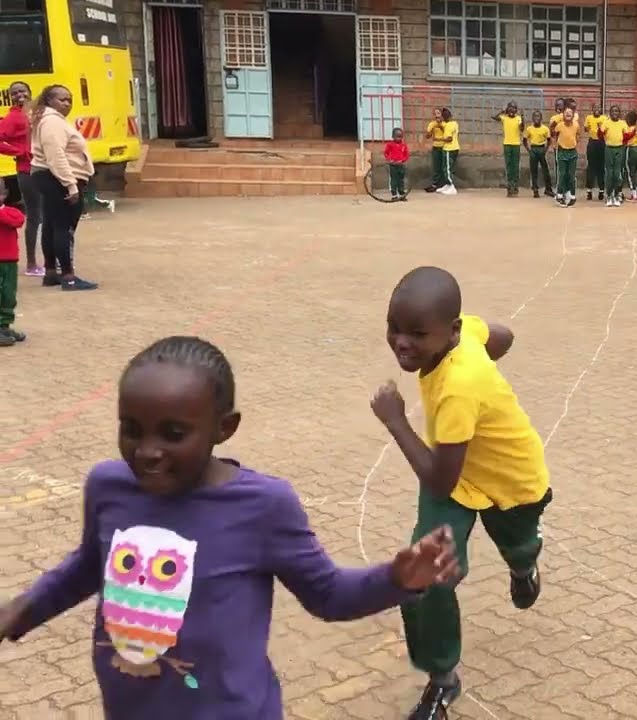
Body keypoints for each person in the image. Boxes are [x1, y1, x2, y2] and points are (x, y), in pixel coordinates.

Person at [0, 335, 460, 719]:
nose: (147, 451)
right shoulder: (109, 486)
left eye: (173, 434)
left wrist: (397, 580)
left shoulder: (262, 506)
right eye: (132, 429)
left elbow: (328, 595)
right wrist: (22, 610)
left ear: (225, 428)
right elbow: (88, 565)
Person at [376, 267, 553, 720]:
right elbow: (503, 335)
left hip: (507, 480)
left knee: (517, 542)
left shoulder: (459, 386)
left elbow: (438, 480)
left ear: (450, 331)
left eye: (417, 334)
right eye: (395, 329)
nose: (402, 343)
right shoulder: (463, 334)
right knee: (427, 569)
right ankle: (442, 680)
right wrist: (483, 355)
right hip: (454, 475)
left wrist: (397, 420)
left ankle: (523, 562)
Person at [30, 84, 95, 291]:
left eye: (69, 99)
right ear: (49, 101)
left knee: (51, 224)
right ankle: (68, 276)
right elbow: (55, 156)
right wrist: (71, 185)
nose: (67, 103)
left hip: (50, 177)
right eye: (62, 99)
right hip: (57, 178)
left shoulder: (50, 120)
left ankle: (51, 273)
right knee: (63, 227)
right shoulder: (52, 122)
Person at [0, 81, 41, 277]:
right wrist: (19, 151)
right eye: (15, 93)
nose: (19, 95)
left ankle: (50, 261)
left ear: (30, 92)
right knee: (34, 215)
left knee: (46, 215)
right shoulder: (13, 117)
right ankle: (32, 264)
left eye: (22, 91)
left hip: (44, 169)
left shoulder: (37, 113)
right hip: (27, 170)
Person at [0, 183, 24, 347]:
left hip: (9, 260)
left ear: (5, 194)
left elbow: (18, 220)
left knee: (9, 294)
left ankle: (5, 325)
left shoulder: (10, 211)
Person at [599, 105, 628, 208]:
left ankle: (616, 195)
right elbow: (600, 134)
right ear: (610, 113)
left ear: (619, 113)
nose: (615, 113)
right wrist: (600, 131)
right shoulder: (606, 123)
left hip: (619, 149)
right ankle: (609, 195)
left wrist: (623, 145)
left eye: (617, 111)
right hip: (609, 149)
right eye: (613, 111)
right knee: (609, 174)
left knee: (617, 174)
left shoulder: (623, 123)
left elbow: (626, 136)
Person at [493, 102, 523, 197]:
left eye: (514, 108)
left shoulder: (518, 118)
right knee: (509, 167)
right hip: (507, 145)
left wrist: (523, 118)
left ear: (516, 110)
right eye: (510, 108)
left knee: (515, 167)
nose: (512, 110)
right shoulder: (504, 118)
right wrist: (502, 111)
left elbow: (522, 128)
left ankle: (515, 187)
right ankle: (509, 187)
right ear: (507, 109)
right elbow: (494, 117)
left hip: (516, 145)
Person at [553, 106, 581, 207]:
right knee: (562, 174)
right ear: (563, 115)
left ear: (573, 115)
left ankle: (572, 195)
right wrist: (556, 145)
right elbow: (554, 135)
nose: (568, 114)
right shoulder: (559, 126)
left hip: (572, 152)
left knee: (571, 175)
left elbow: (578, 135)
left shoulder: (576, 125)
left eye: (570, 112)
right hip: (562, 152)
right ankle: (559, 195)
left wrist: (575, 144)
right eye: (566, 112)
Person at [522, 111, 552, 199]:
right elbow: (524, 141)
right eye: (535, 116)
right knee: (533, 170)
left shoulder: (545, 129)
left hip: (541, 149)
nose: (536, 118)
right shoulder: (529, 129)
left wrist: (545, 150)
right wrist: (529, 151)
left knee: (545, 170)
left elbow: (549, 140)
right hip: (533, 149)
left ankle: (548, 189)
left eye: (538, 116)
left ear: (541, 118)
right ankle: (535, 189)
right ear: (532, 118)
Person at [583, 104, 606, 201]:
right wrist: (588, 128)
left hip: (601, 142)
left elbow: (606, 131)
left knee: (601, 167)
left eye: (598, 108)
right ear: (592, 109)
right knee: (591, 167)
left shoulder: (604, 118)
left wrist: (600, 128)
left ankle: (601, 191)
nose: (596, 109)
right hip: (592, 142)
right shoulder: (588, 118)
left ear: (601, 109)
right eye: (595, 108)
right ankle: (589, 191)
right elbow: (585, 129)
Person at [435, 108, 460, 196]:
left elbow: (449, 139)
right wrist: (440, 123)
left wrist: (439, 139)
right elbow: (444, 127)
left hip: (449, 149)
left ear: (444, 117)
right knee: (447, 167)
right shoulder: (454, 123)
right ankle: (447, 185)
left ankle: (451, 186)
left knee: (447, 169)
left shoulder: (449, 126)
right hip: (454, 148)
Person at [383, 127, 410, 201]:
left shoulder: (404, 145)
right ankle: (394, 195)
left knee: (401, 180)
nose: (399, 138)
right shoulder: (390, 145)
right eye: (397, 136)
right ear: (393, 136)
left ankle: (401, 194)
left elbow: (406, 155)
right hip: (393, 165)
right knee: (393, 180)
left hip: (401, 165)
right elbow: (386, 153)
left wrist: (402, 160)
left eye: (400, 136)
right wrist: (389, 160)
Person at [425, 108, 445, 192]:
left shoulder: (445, 124)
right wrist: (431, 131)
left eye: (438, 113)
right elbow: (427, 136)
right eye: (435, 113)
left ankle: (444, 184)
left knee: (444, 166)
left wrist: (440, 125)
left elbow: (447, 133)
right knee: (436, 166)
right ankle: (435, 184)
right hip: (436, 146)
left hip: (444, 147)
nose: (437, 115)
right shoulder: (432, 124)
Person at [623, 109, 637, 202]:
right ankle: (636, 192)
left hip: (630, 149)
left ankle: (634, 195)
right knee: (634, 171)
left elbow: (625, 138)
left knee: (629, 172)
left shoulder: (629, 128)